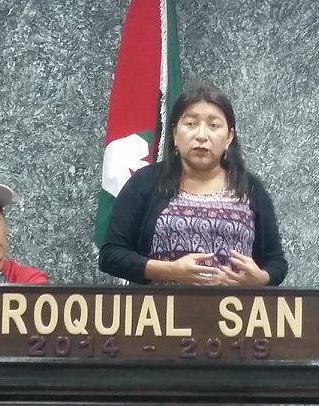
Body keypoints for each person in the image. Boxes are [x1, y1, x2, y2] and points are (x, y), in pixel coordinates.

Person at [98, 83, 288, 286]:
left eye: (213, 125)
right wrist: (169, 271)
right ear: (175, 133)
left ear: (229, 137)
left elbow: (276, 263)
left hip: (233, 306)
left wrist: (260, 278)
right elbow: (111, 255)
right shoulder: (146, 182)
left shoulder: (249, 188)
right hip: (160, 306)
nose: (201, 135)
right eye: (190, 124)